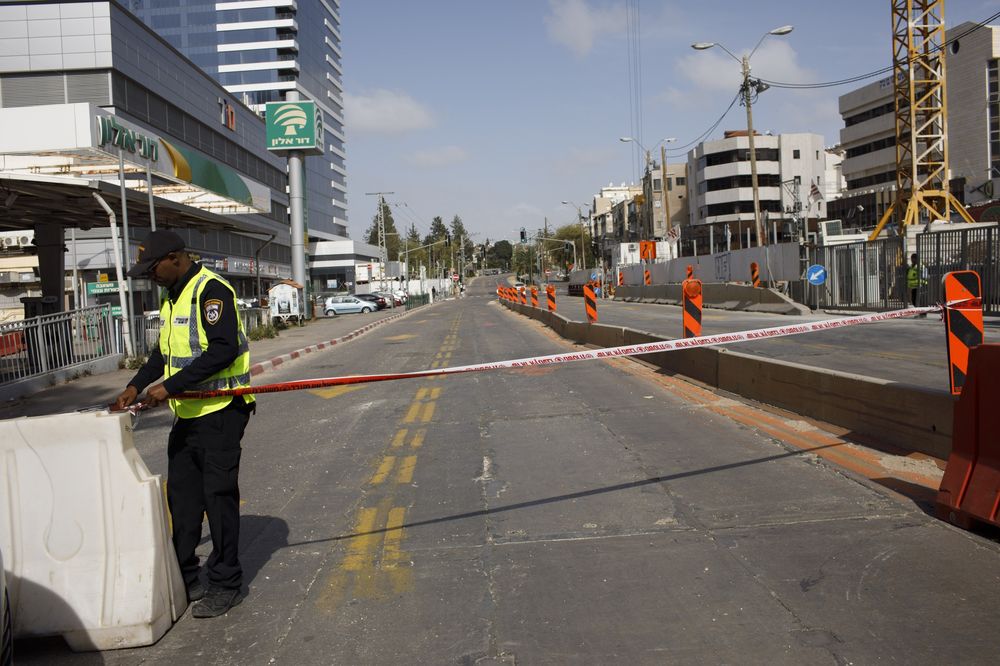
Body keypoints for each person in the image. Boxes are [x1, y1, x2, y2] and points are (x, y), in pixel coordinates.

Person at [114, 230, 255, 619]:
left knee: (218, 496)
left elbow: (223, 349)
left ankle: (227, 582)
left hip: (221, 411)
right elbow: (163, 353)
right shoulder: (171, 296)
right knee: (183, 498)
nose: (150, 276)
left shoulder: (212, 291)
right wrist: (135, 384)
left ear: (175, 257)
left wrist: (169, 388)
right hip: (188, 414)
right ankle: (187, 574)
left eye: (153, 267)